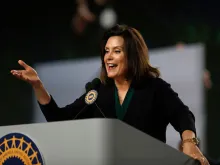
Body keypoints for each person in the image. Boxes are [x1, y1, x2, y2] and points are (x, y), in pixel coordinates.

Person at [11, 24, 209, 165]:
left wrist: (190, 143)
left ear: (132, 55)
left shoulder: (154, 87)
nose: (109, 57)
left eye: (117, 51)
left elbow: (183, 115)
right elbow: (60, 119)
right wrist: (38, 86)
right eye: (106, 51)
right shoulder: (98, 92)